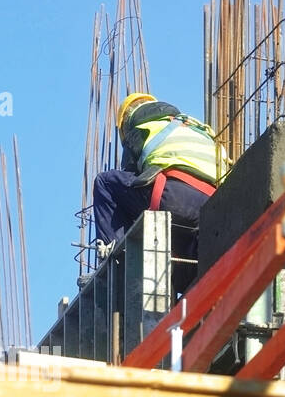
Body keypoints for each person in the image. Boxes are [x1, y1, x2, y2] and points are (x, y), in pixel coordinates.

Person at [92, 93, 229, 295]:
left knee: (105, 182)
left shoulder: (141, 124)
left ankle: (114, 260)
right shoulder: (198, 129)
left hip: (170, 195)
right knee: (182, 274)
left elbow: (130, 174)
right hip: (211, 209)